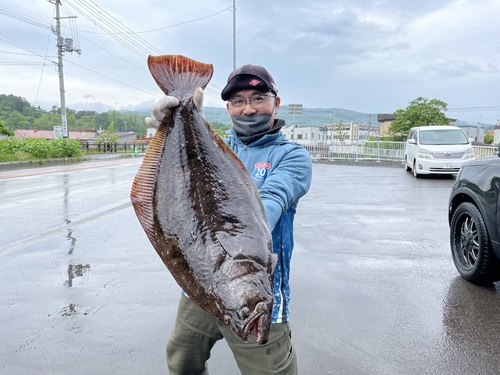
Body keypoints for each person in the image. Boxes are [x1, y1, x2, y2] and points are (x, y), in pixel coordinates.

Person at [145, 64, 312, 375]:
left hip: (254, 296)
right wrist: (170, 125)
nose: (248, 109)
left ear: (276, 103)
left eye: (258, 98)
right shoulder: (215, 144)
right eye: (238, 101)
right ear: (229, 108)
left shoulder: (292, 156)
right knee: (182, 361)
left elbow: (271, 201)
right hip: (199, 284)